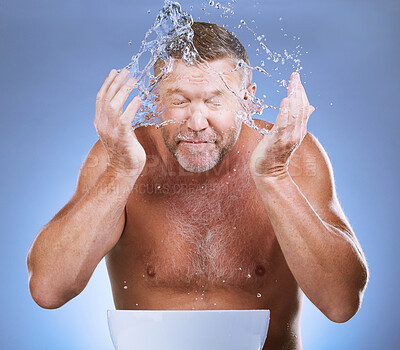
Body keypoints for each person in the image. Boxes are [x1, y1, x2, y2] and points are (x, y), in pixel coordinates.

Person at [27, 22, 369, 349]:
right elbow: (48, 290)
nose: (196, 123)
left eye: (215, 100)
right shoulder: (119, 154)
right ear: (155, 99)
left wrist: (274, 176)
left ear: (247, 99)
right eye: (179, 101)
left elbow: (341, 303)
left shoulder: (289, 154)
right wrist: (119, 172)